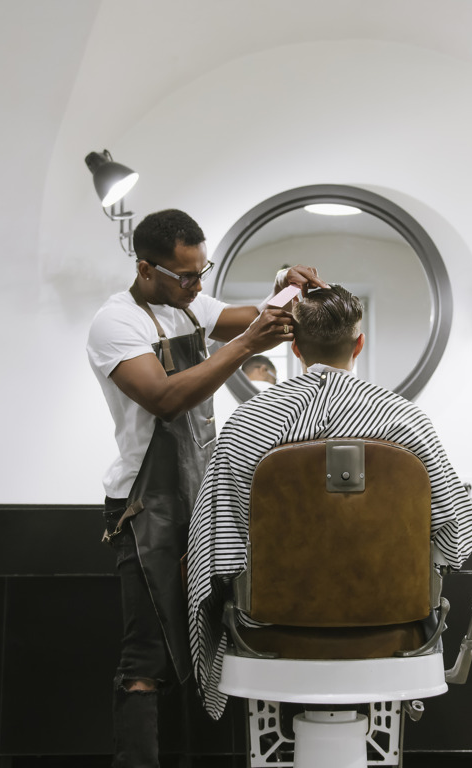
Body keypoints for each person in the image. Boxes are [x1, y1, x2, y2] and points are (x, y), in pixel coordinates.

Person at [86, 208, 328, 768]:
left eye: (202, 272)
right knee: (147, 658)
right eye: (187, 276)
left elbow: (249, 317)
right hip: (144, 508)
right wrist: (245, 346)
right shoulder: (117, 323)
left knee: (207, 652)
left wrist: (285, 288)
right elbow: (166, 399)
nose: (199, 287)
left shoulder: (184, 302)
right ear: (147, 270)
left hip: (198, 500)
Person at [187, 284, 472, 720]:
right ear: (360, 343)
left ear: (295, 348)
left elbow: (217, 549)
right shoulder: (406, 420)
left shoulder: (249, 424)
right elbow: (457, 533)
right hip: (393, 631)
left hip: (270, 634)